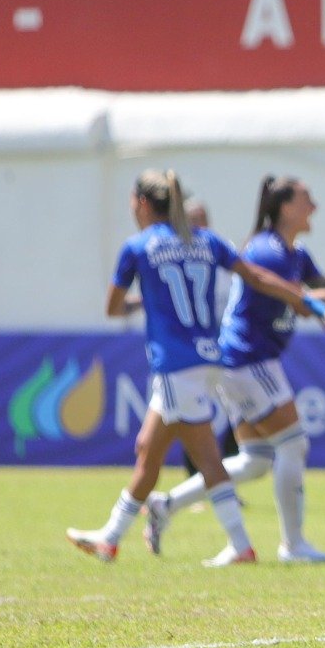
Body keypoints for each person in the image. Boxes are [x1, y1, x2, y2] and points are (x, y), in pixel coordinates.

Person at [67, 169, 325, 565]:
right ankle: (113, 536)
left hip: (175, 362)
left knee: (194, 458)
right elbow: (258, 278)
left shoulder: (138, 247)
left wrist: (148, 302)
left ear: (141, 203)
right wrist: (307, 301)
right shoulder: (208, 242)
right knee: (160, 451)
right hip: (210, 357)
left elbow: (113, 308)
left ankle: (235, 545)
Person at [144, 175, 325, 564]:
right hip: (250, 359)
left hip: (239, 362)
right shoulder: (267, 251)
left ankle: (165, 504)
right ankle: (294, 546)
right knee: (294, 443)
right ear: (285, 207)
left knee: (255, 460)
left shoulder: (294, 253)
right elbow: (309, 301)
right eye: (307, 199)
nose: (315, 207)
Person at [122, 197, 243, 479]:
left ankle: (203, 486)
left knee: (234, 414)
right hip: (186, 357)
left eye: (203, 218)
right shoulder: (171, 254)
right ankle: (198, 485)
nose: (198, 224)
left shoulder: (216, 250)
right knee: (180, 433)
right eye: (192, 219)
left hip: (220, 349)